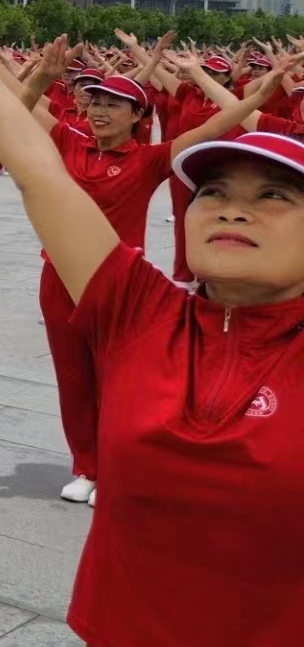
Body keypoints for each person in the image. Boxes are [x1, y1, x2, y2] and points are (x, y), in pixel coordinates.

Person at [0, 0, 304, 647]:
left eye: (274, 195)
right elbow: (34, 167)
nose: (232, 207)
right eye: (212, 190)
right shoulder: (139, 310)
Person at [21, 39, 281, 506]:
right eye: (96, 102)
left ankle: (117, 467)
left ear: (138, 116)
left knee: (116, 378)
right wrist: (36, 75)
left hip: (117, 286)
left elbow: (211, 128)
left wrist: (258, 99)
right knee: (73, 377)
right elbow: (13, 118)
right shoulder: (67, 140)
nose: (99, 111)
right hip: (58, 278)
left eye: (113, 106)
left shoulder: (148, 159)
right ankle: (86, 465)